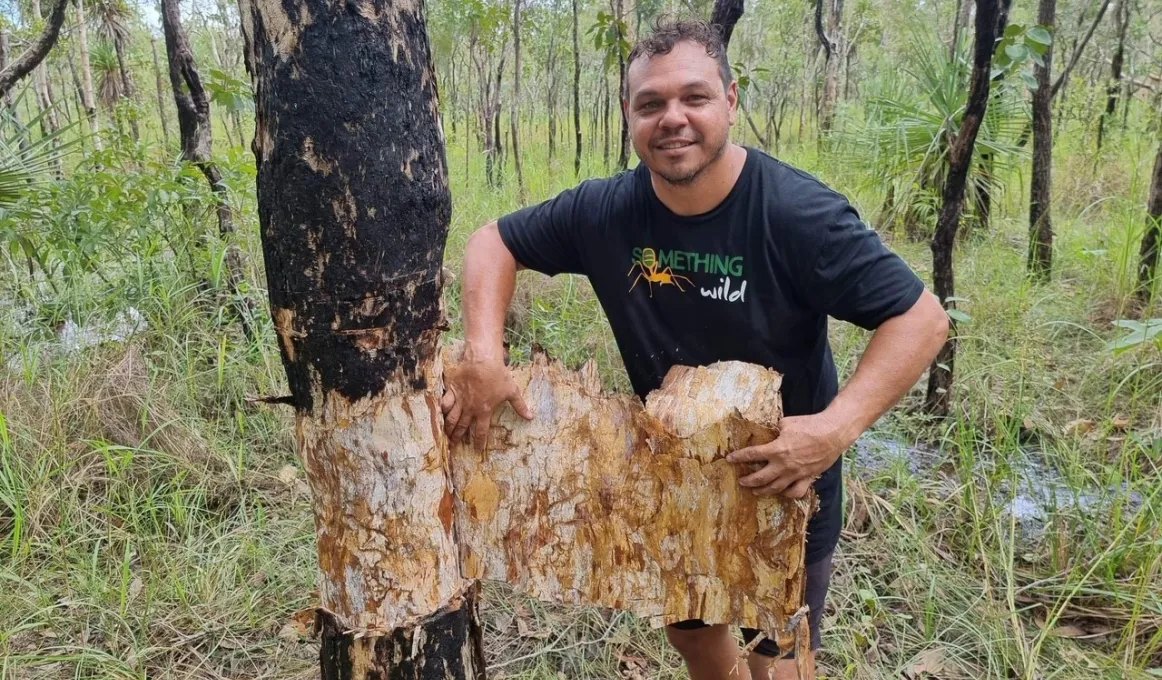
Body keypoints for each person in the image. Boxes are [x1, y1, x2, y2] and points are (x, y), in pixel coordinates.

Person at [440, 17, 949, 680]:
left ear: (731, 102)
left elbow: (922, 318)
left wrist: (834, 428)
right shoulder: (605, 214)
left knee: (779, 660)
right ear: (628, 113)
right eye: (651, 103)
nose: (672, 118)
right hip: (672, 481)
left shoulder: (796, 214)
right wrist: (485, 351)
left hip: (786, 481)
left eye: (694, 98)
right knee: (698, 645)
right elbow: (494, 241)